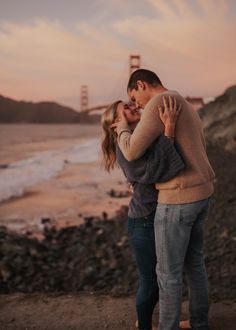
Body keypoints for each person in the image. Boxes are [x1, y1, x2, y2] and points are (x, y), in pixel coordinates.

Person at [112, 69, 215, 330]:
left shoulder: (158, 103)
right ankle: (200, 324)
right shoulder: (182, 101)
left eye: (134, 97)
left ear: (141, 84)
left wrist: (122, 126)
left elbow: (132, 151)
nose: (136, 104)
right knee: (194, 265)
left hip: (178, 197)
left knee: (167, 274)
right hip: (202, 192)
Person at [101, 97, 187, 330]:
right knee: (151, 282)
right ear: (115, 125)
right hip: (144, 219)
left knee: (166, 276)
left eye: (130, 104)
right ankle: (145, 326)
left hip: (159, 212)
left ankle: (159, 321)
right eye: (125, 109)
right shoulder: (124, 148)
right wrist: (169, 129)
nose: (132, 107)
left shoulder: (139, 138)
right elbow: (155, 172)